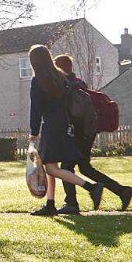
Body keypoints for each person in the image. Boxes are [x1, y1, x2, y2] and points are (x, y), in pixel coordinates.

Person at [27, 45, 104, 216]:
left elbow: (36, 108)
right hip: (64, 124)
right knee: (50, 165)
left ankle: (91, 187)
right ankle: (50, 203)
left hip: (51, 126)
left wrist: (33, 132)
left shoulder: (38, 80)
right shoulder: (60, 76)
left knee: (51, 168)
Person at [54, 54, 132, 213]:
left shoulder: (67, 85)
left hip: (78, 132)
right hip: (88, 131)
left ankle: (72, 204)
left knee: (66, 167)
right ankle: (122, 191)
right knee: (85, 168)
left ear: (58, 68)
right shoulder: (79, 83)